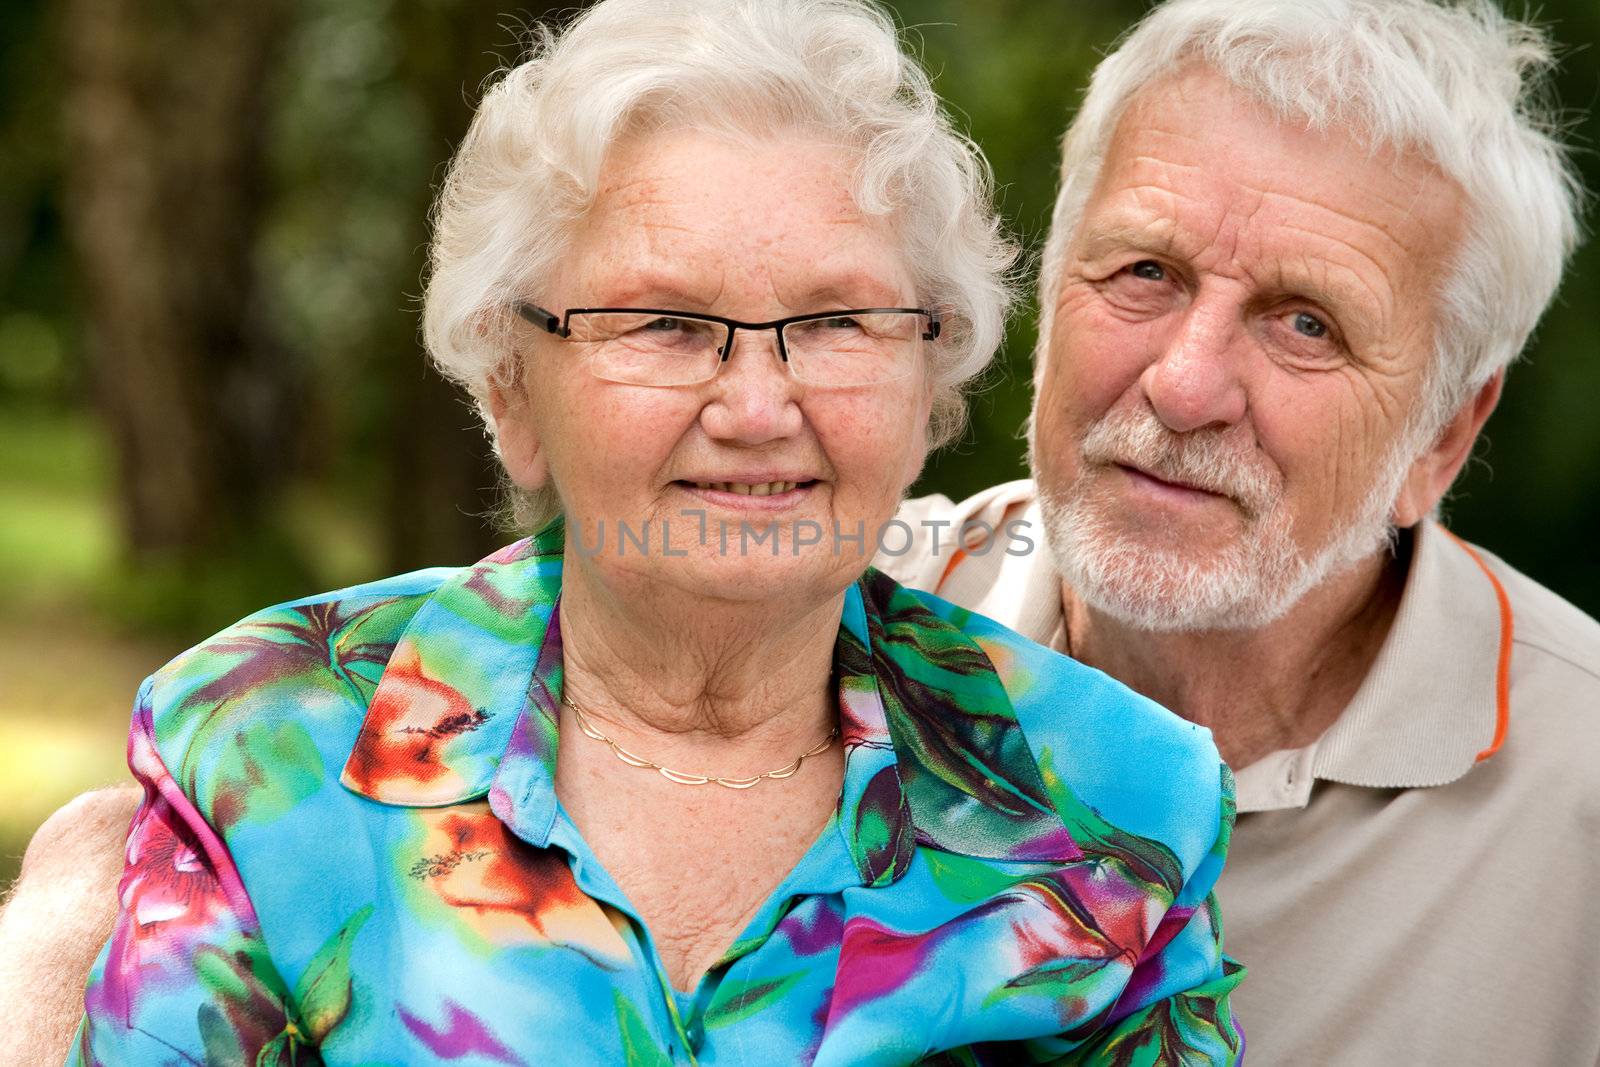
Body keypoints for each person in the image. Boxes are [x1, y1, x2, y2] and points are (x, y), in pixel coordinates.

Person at [35, 0, 1246, 1062]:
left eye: (836, 321)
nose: (761, 408)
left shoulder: (1113, 804)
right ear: (512, 391)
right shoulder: (270, 742)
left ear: (929, 387)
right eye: (666, 322)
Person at [880, 0, 1596, 1063]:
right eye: (1144, 273)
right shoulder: (800, 625)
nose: (1183, 385)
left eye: (1305, 321)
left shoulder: (1578, 788)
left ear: (1440, 436)